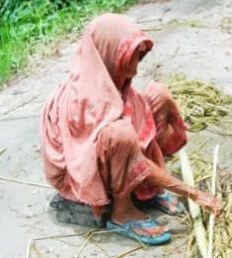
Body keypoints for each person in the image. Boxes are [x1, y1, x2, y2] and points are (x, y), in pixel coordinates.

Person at [40, 14, 221, 245]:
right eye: (129, 57)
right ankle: (122, 213)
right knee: (120, 135)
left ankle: (146, 188)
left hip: (110, 155)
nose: (135, 69)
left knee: (158, 95)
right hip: (79, 176)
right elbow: (131, 152)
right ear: (107, 53)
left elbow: (139, 126)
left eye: (138, 56)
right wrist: (191, 192)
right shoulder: (84, 101)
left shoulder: (110, 80)